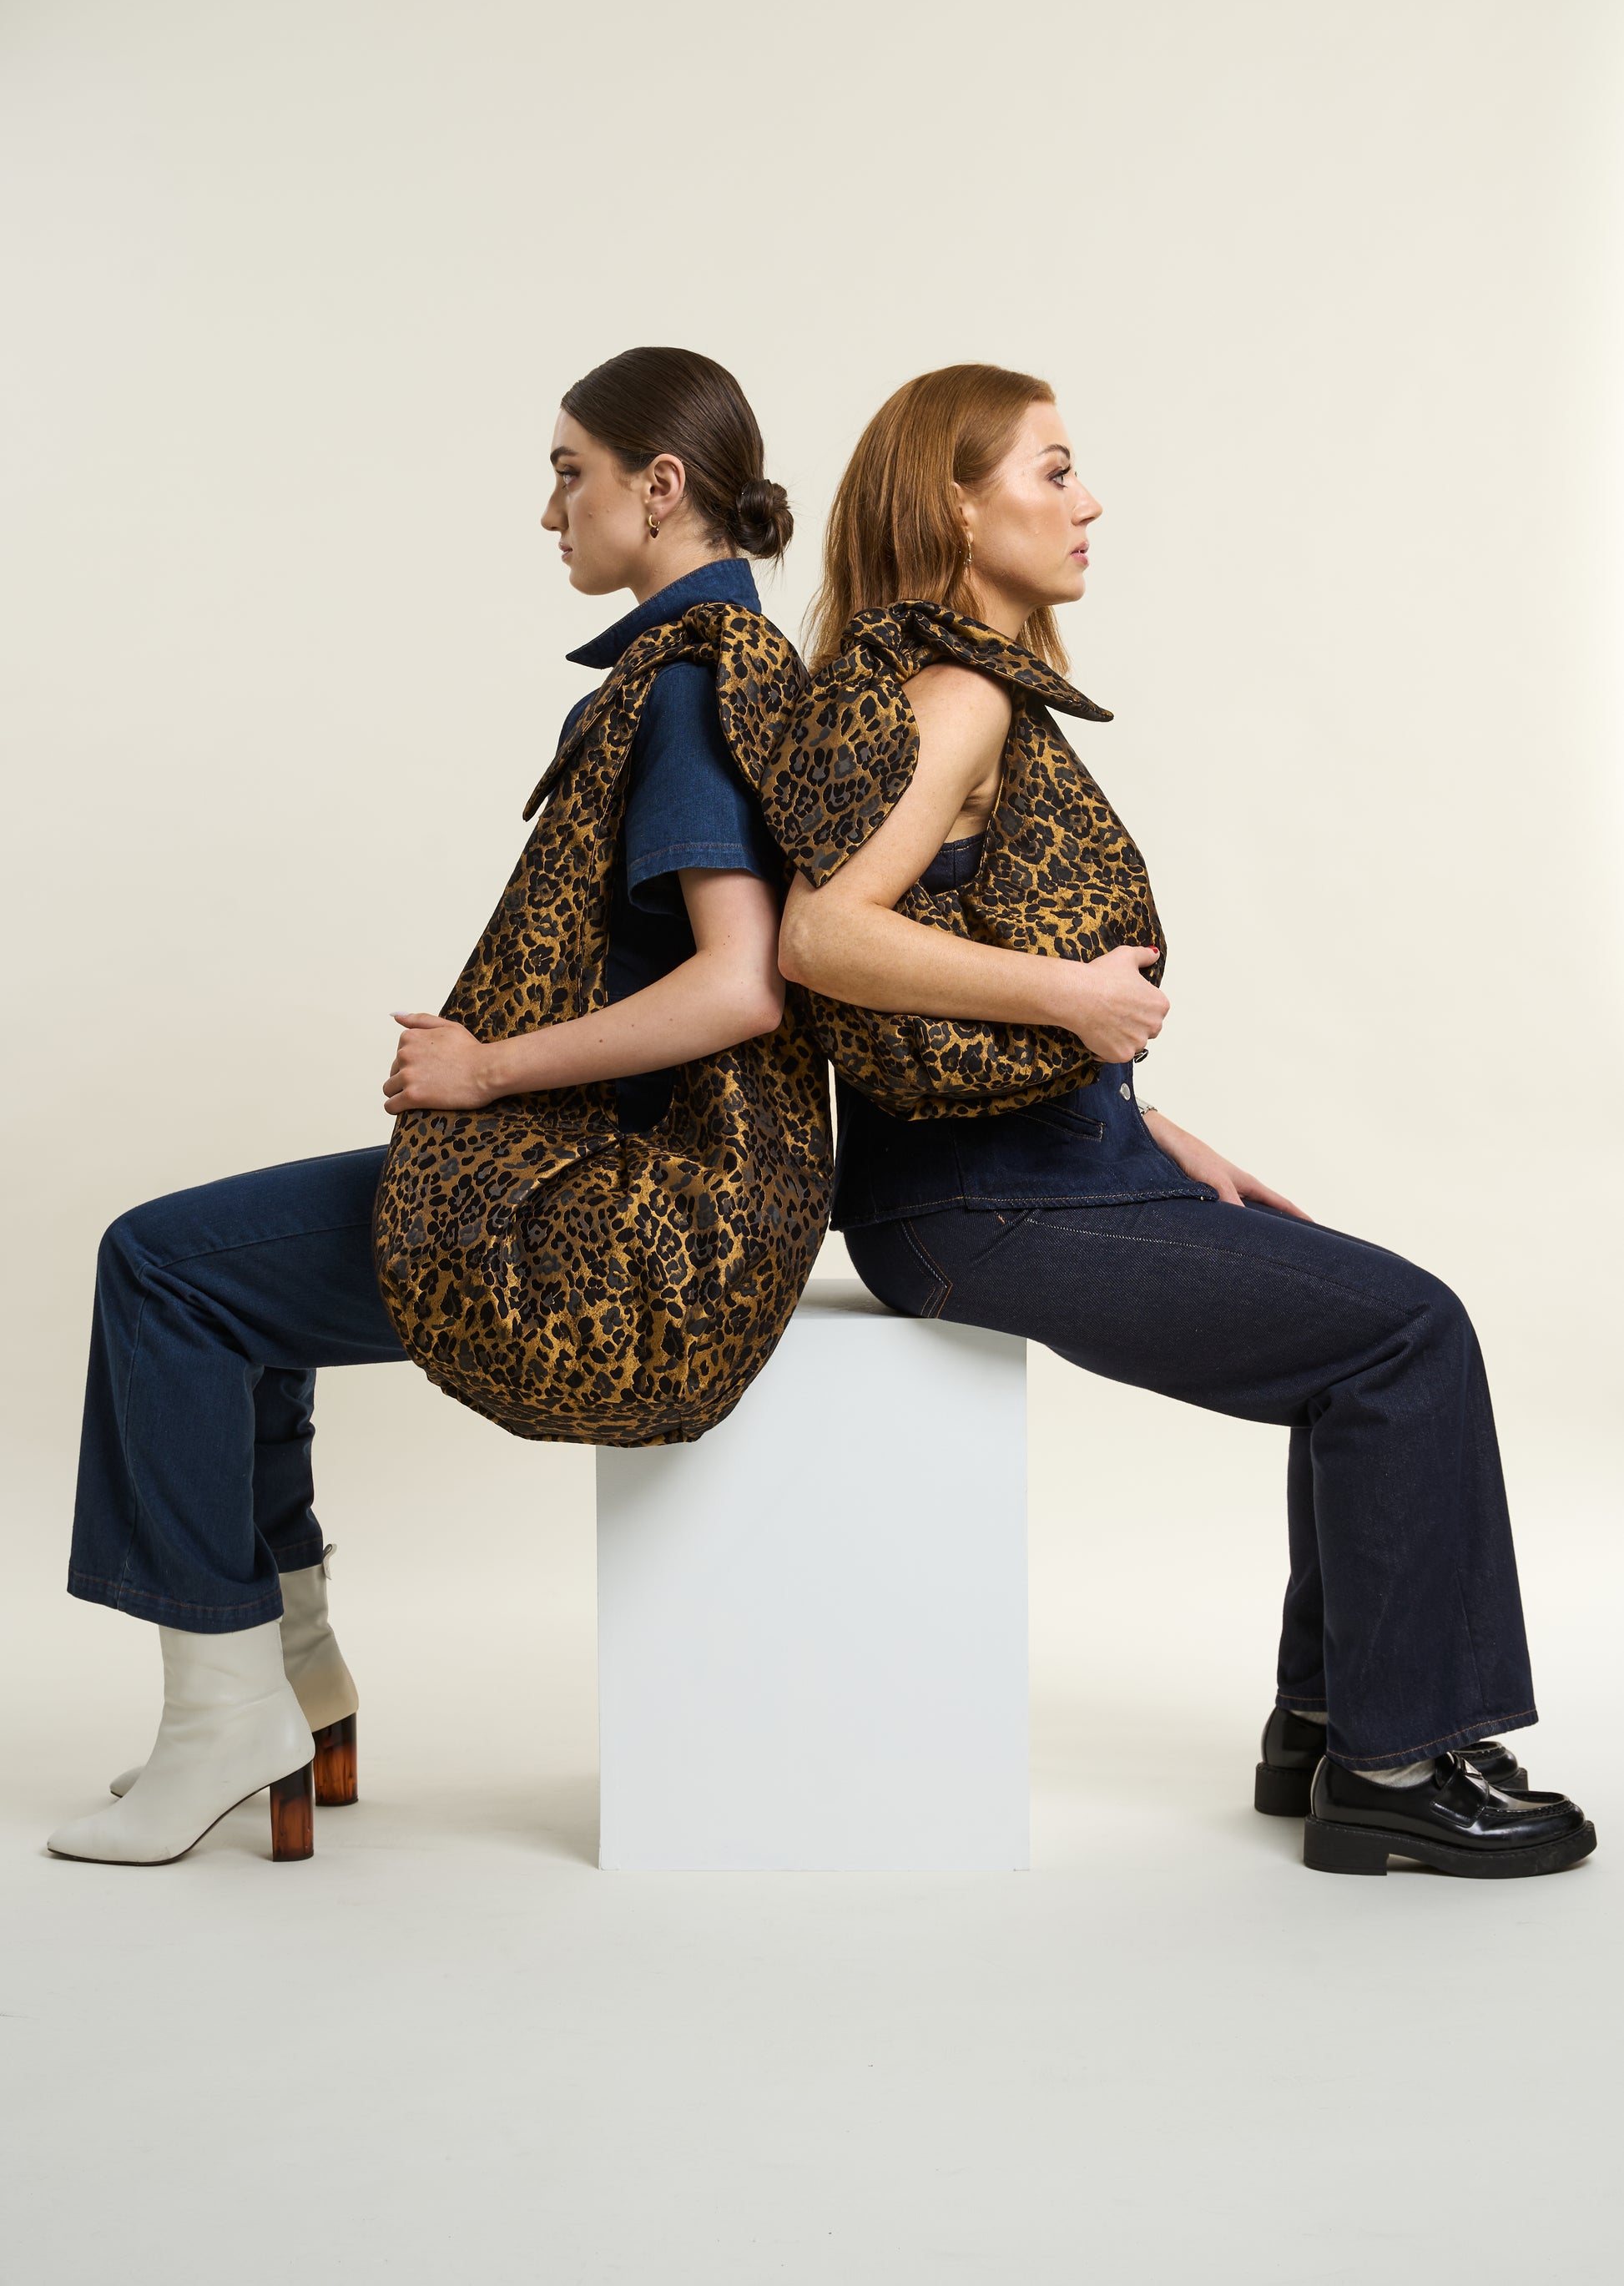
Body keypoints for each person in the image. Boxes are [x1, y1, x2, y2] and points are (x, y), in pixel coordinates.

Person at [774, 363, 1595, 1880]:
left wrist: (1148, 1131)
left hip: (1036, 1168)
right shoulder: (955, 694)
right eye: (1051, 471)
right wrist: (1074, 1003)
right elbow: (823, 938)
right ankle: (1392, 1772)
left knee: (1362, 1336)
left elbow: (956, 954)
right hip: (980, 1199)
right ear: (954, 506)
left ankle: (1335, 1723)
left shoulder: (961, 685)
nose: (1087, 502)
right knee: (1406, 1338)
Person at [51, 347, 806, 1867]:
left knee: (164, 1270)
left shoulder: (691, 685)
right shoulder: (734, 662)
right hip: (657, 1184)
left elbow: (741, 986)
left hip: (632, 1217)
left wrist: (485, 1071)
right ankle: (295, 1684)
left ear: (661, 485)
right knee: (225, 1288)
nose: (550, 511)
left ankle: (226, 1715)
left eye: (570, 474)